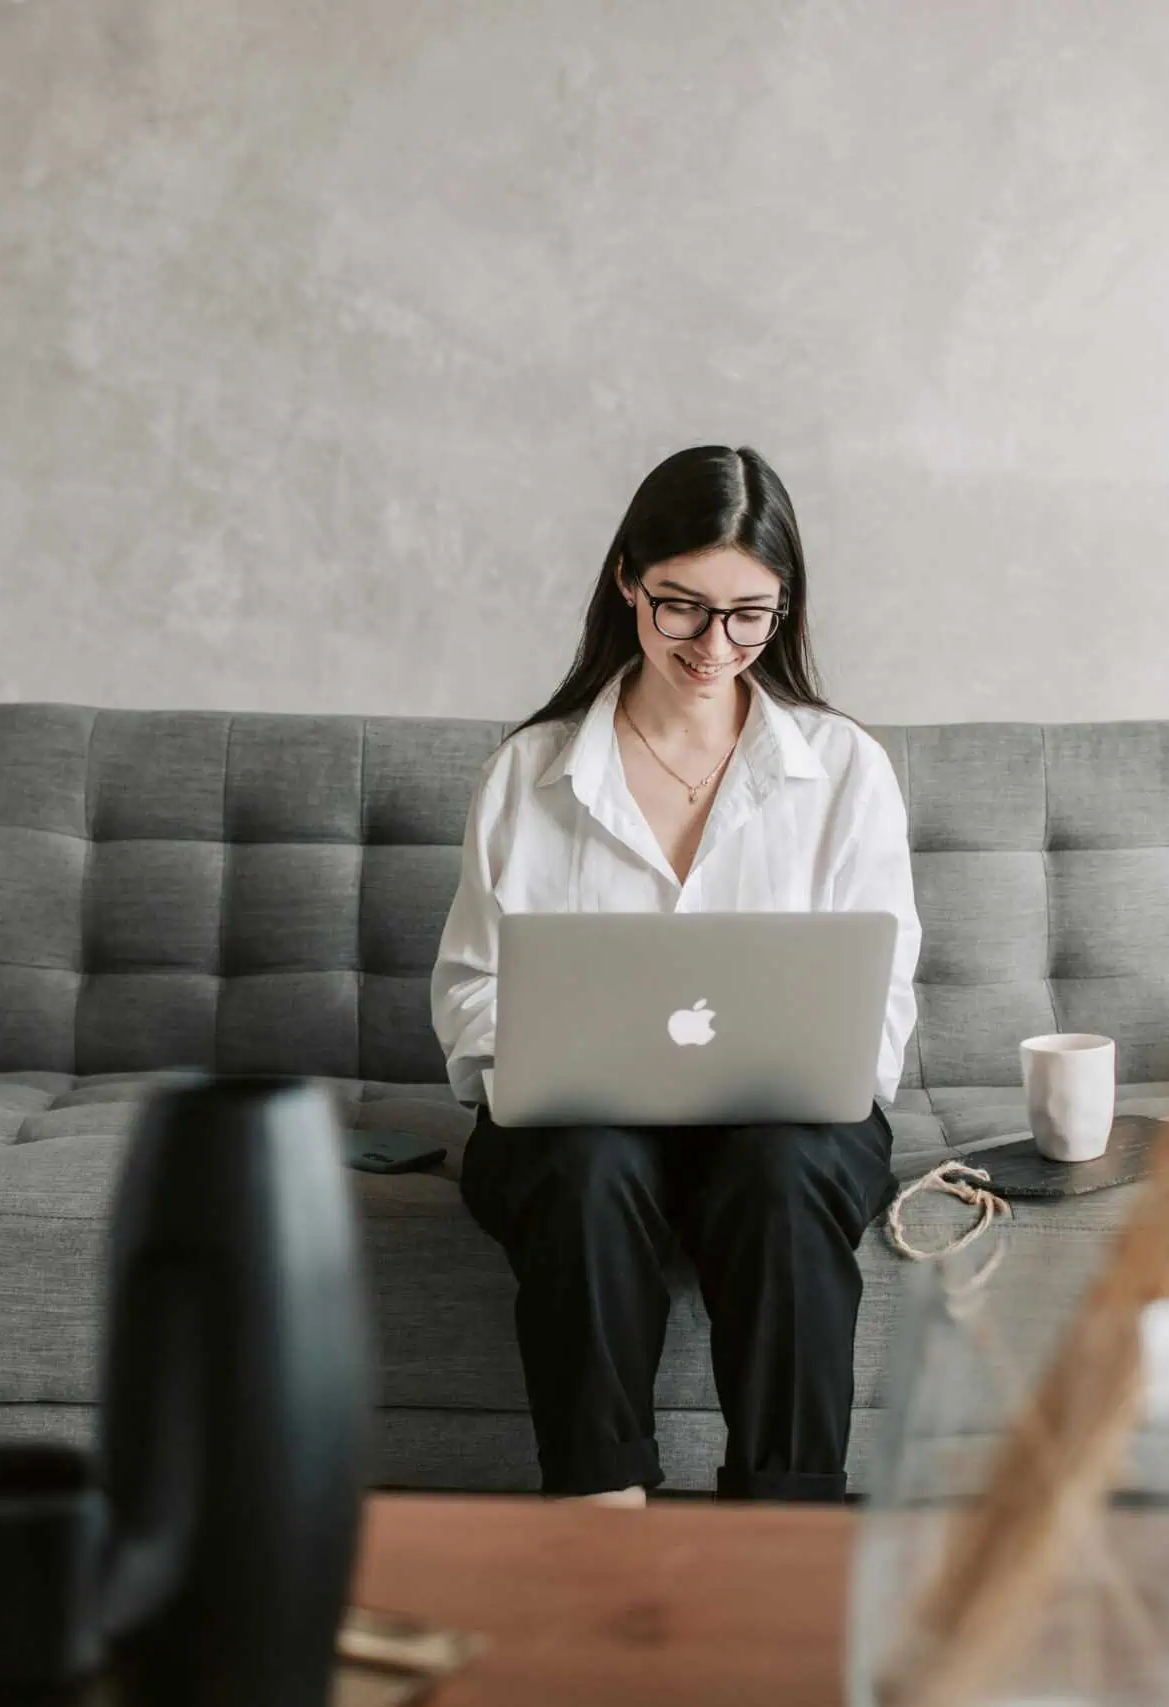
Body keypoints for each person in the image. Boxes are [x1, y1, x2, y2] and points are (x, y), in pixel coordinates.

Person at [430, 443, 920, 1506]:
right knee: (585, 1171)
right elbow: (471, 992)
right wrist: (541, 1060)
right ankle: (601, 1510)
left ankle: (785, 1524)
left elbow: (876, 1001)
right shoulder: (529, 773)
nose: (715, 645)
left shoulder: (843, 770)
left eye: (751, 613)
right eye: (683, 607)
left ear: (783, 607)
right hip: (577, 1130)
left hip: (786, 1124)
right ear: (626, 581)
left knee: (784, 1176)